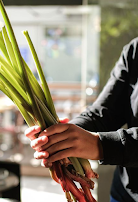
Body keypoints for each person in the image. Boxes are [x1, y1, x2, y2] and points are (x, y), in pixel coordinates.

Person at [25, 37, 138, 202]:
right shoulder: (135, 50)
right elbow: (104, 111)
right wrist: (63, 136)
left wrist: (99, 145)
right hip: (124, 194)